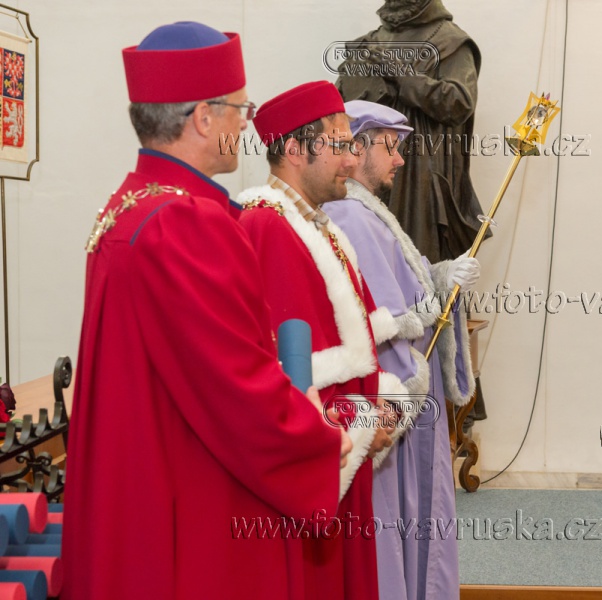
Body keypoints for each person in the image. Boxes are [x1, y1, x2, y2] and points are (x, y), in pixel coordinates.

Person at [63, 22, 348, 600]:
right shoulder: (184, 222)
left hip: (144, 475)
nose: (246, 125)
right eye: (241, 110)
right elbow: (235, 386)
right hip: (198, 494)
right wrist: (315, 439)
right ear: (202, 117)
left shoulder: (128, 206)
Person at [236, 81, 405, 600]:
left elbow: (358, 347)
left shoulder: (322, 228)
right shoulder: (266, 226)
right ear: (294, 149)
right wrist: (361, 424)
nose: (352, 161)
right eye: (340, 145)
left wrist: (381, 407)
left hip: (347, 451)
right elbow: (285, 376)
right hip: (321, 466)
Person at [325, 100, 478, 600]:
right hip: (395, 402)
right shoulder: (350, 215)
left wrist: (442, 275)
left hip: (398, 402)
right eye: (391, 147)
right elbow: (389, 323)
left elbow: (406, 293)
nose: (400, 159)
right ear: (358, 147)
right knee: (397, 522)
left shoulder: (366, 212)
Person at [335, 0, 484, 264]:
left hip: (416, 174)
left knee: (416, 264)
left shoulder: (450, 41)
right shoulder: (369, 43)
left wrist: (402, 75)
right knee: (360, 260)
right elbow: (338, 110)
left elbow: (459, 103)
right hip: (361, 173)